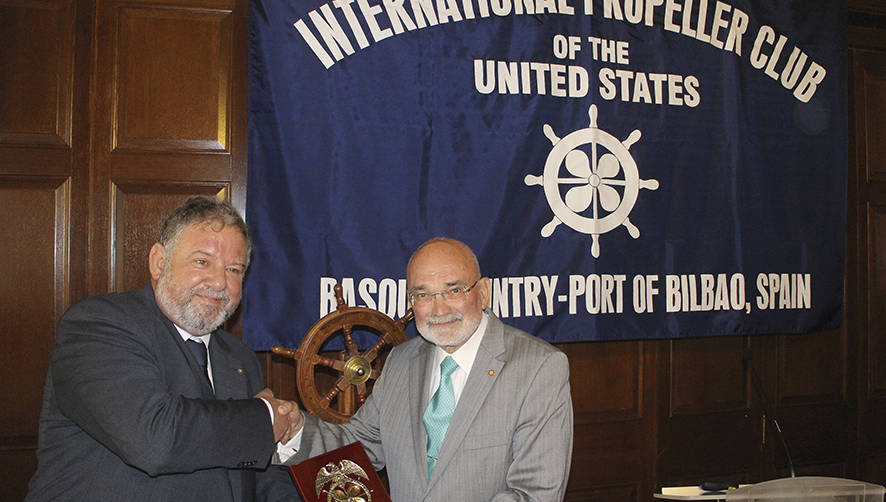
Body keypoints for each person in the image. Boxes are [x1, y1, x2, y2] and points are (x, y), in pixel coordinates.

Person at [26, 197, 302, 502]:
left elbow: (255, 474)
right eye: (202, 261)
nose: (219, 281)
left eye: (234, 270)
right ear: (159, 262)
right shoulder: (98, 325)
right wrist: (265, 416)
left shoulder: (241, 359)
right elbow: (155, 438)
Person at [287, 237, 573, 501]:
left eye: (454, 290)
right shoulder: (400, 361)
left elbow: (534, 495)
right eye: (423, 295)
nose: (438, 310)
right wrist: (293, 430)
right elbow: (359, 447)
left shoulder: (539, 368)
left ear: (483, 292)